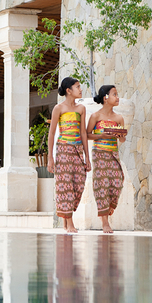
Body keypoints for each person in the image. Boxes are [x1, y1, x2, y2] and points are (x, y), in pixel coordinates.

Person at [48, 77, 91, 233]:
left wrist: (87, 157)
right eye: (78, 87)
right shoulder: (58, 108)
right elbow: (52, 133)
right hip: (63, 151)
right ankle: (69, 223)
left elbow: (83, 133)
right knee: (66, 186)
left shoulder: (81, 109)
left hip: (78, 151)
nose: (80, 89)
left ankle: (66, 220)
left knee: (78, 183)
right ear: (68, 90)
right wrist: (50, 158)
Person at [87, 85, 127, 234]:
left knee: (117, 182)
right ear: (105, 97)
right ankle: (105, 222)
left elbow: (122, 140)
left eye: (117, 94)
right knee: (102, 185)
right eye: (114, 94)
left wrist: (120, 135)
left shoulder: (119, 118)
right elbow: (87, 134)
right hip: (99, 154)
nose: (117, 97)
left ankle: (108, 209)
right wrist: (101, 136)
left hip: (113, 154)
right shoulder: (95, 116)